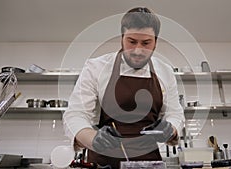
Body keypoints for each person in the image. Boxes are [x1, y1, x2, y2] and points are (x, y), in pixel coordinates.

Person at [63, 7, 185, 169]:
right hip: (103, 163)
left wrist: (171, 128)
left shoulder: (165, 71)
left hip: (149, 163)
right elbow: (76, 114)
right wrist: (93, 138)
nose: (138, 50)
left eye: (146, 43)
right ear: (122, 38)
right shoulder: (96, 67)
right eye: (132, 41)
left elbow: (174, 113)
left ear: (156, 41)